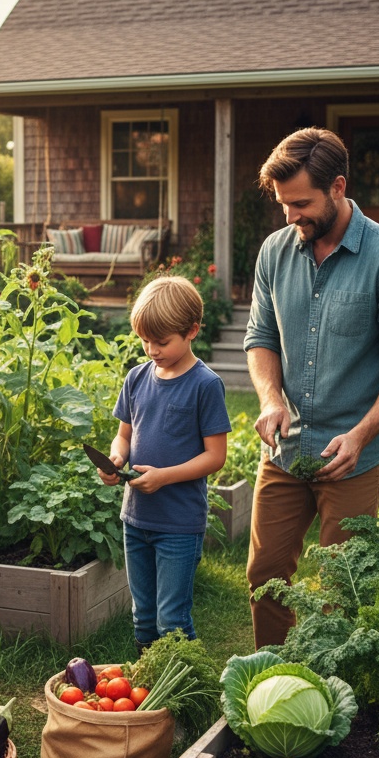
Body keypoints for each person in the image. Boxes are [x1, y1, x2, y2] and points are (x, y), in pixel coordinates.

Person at [243, 127, 379, 649]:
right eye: (283, 205)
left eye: (301, 203)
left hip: (353, 456)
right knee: (266, 575)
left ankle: (330, 697)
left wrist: (362, 433)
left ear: (338, 187)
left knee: (339, 591)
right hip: (284, 452)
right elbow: (260, 337)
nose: (290, 216)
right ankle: (271, 681)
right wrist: (270, 398)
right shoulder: (274, 253)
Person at [97, 276, 230, 650]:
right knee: (143, 615)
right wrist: (117, 457)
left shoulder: (205, 385)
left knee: (171, 618)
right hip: (136, 517)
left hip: (178, 523)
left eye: (161, 341)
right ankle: (148, 697)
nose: (151, 349)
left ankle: (185, 692)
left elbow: (215, 456)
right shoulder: (136, 378)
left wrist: (164, 478)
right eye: (145, 340)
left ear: (191, 331)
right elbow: (123, 434)